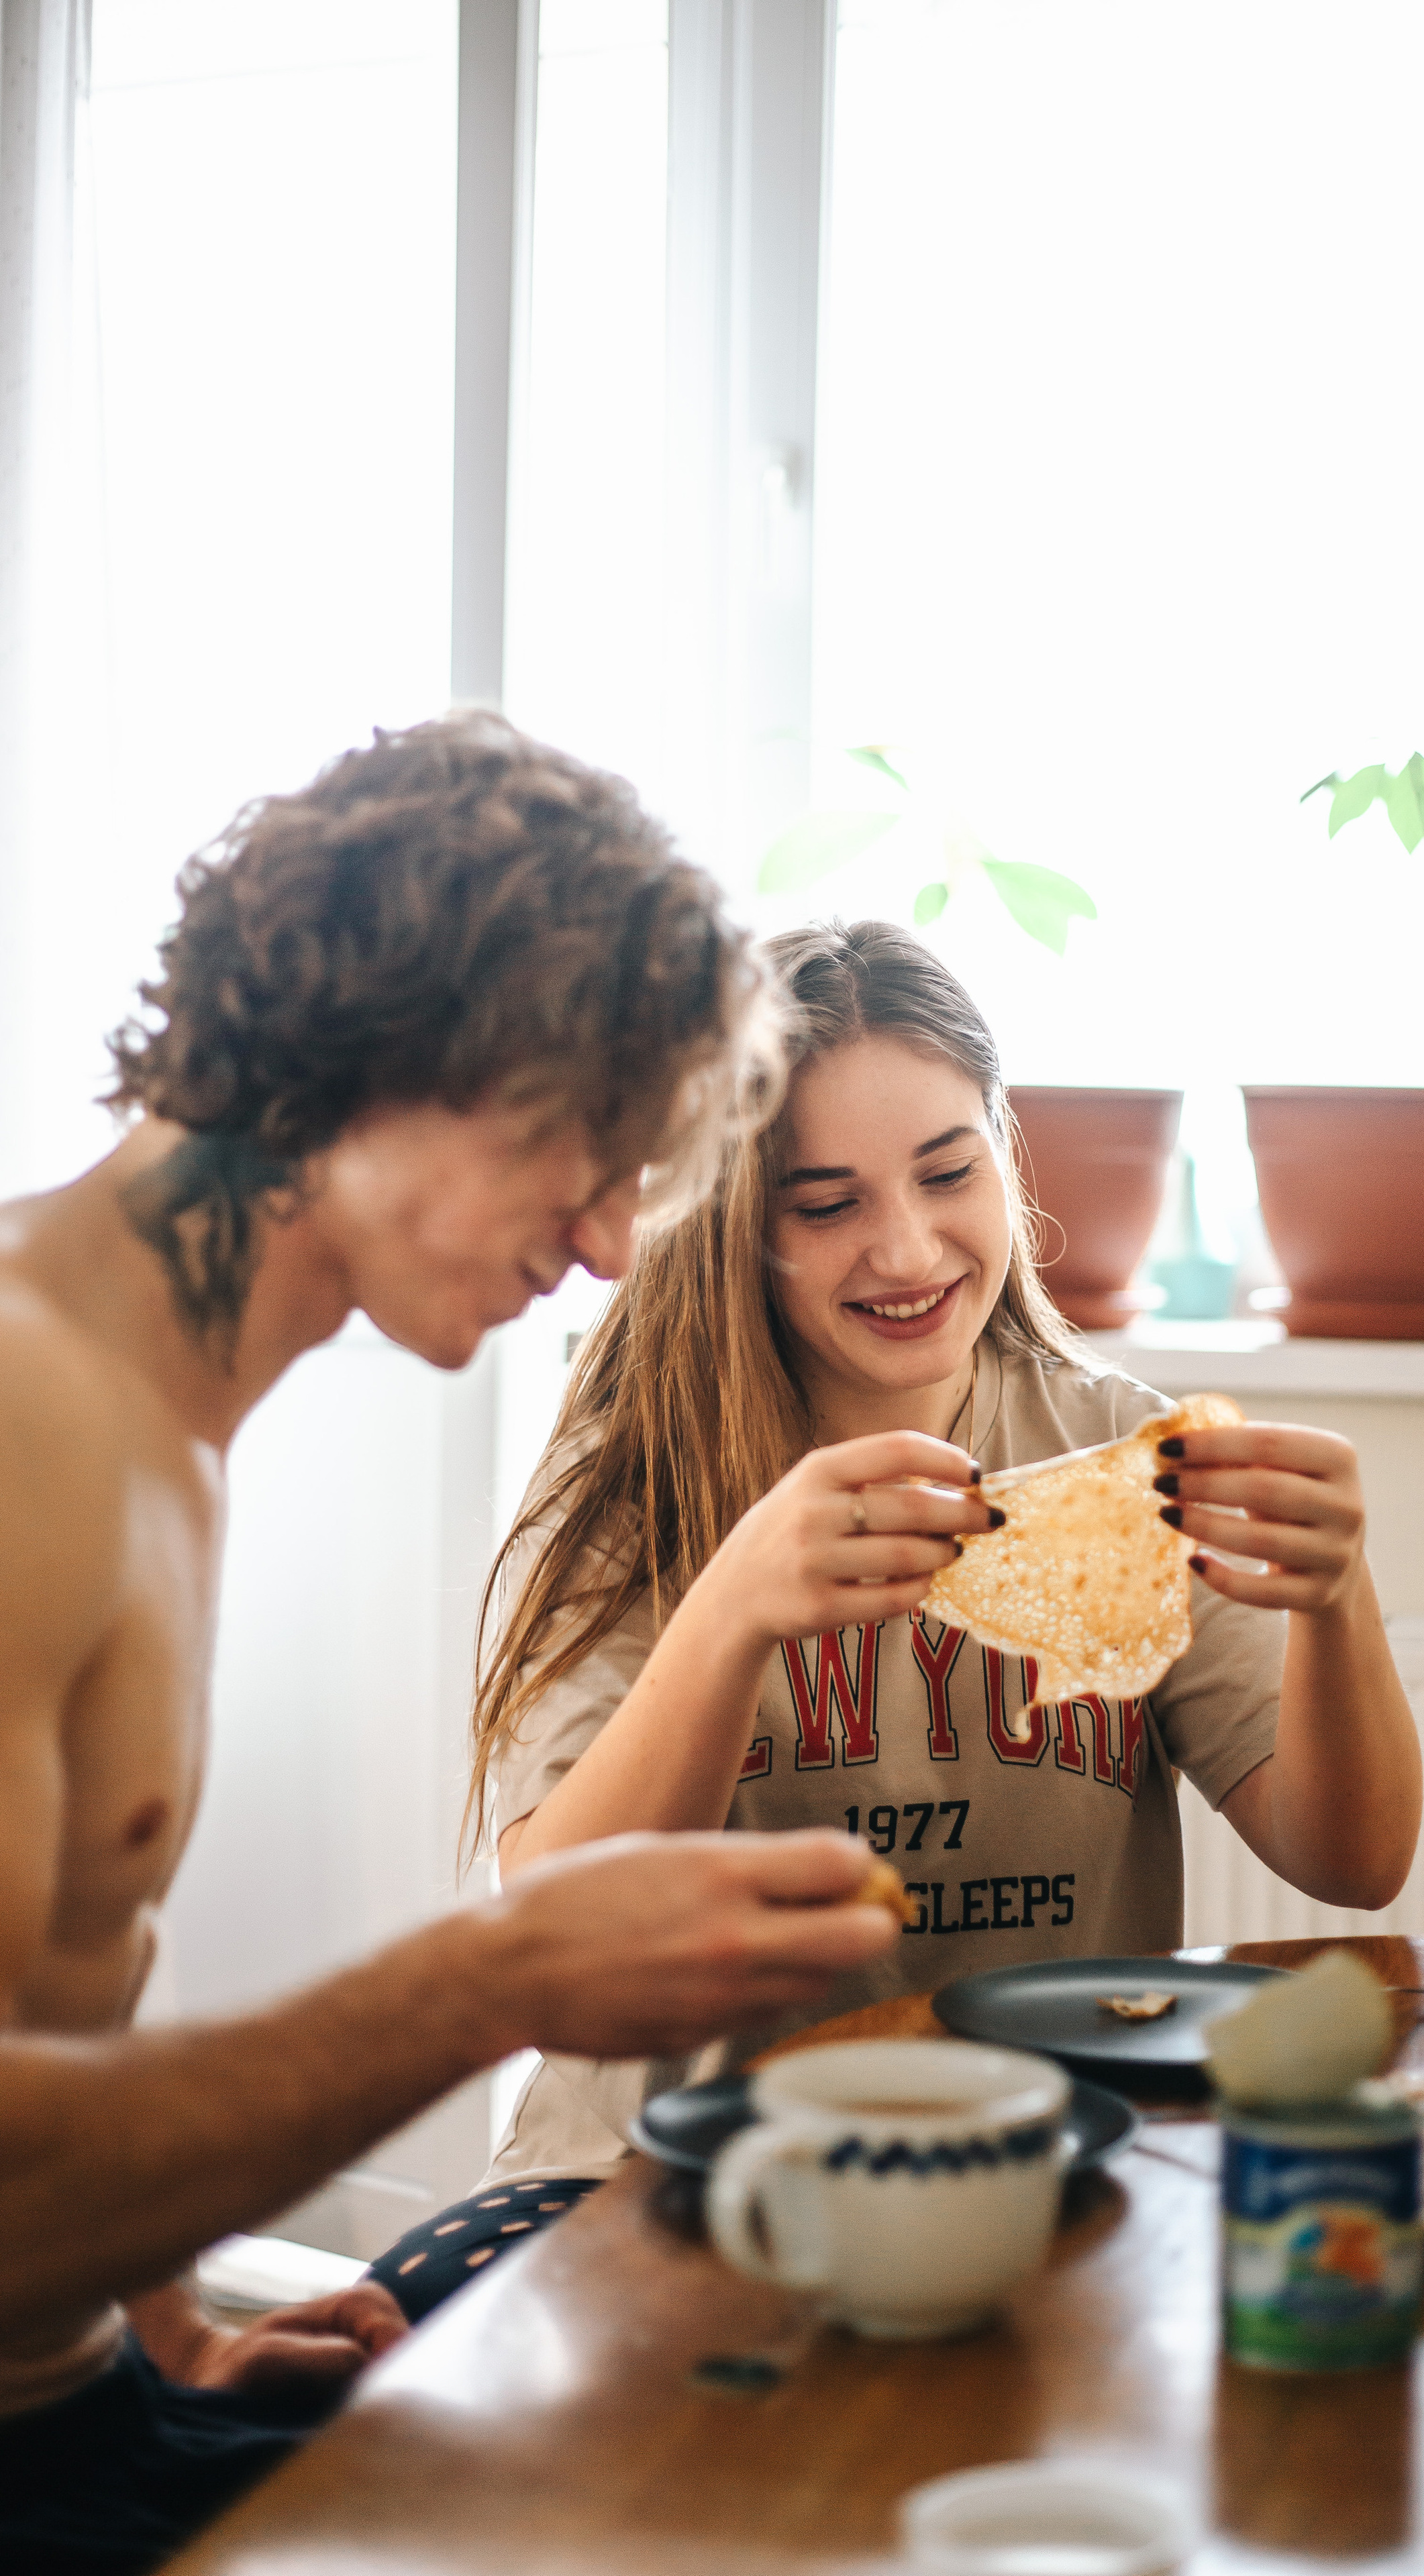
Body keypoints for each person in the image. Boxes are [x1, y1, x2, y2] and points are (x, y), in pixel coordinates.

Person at [0, 718, 901, 2576]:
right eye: (579, 1148)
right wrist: (494, 1973)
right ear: (393, 1045)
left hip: (92, 2384)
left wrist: (168, 2323)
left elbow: (57, 1959)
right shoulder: (26, 1411)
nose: (605, 1244)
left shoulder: (160, 1407)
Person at [470, 919, 1422, 2184]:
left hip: (1040, 2159)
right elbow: (557, 1941)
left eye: (948, 1173)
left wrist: (1336, 1597)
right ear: (730, 1223)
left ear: (1002, 1154)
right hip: (654, 2180)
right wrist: (735, 1608)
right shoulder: (628, 1483)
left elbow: (1355, 1865)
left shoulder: (1120, 1450)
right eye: (825, 1204)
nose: (909, 1250)